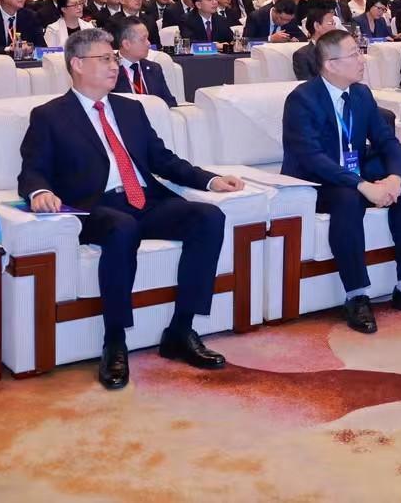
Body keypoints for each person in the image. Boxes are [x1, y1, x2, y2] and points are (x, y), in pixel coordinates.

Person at [19, 28, 247, 389]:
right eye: (104, 59)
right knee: (122, 227)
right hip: (94, 207)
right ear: (77, 64)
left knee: (208, 216)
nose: (114, 65)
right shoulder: (50, 115)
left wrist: (210, 180)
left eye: (114, 58)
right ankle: (115, 340)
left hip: (143, 199)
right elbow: (33, 169)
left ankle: (181, 330)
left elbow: (162, 160)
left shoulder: (131, 108)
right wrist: (40, 191)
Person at [281, 29, 401, 333]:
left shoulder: (361, 94)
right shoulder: (302, 99)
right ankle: (356, 295)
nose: (362, 59)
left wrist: (394, 177)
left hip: (355, 172)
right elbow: (311, 158)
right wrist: (363, 186)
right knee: (347, 198)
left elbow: (387, 141)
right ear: (331, 64)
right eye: (354, 54)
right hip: (315, 182)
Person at [111, 17, 178, 110]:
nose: (148, 43)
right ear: (126, 44)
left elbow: (170, 102)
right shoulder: (110, 70)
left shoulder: (154, 68)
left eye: (148, 38)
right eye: (143, 39)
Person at [292, 6, 342, 81]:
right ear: (317, 26)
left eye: (334, 24)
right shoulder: (302, 55)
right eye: (331, 23)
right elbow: (308, 83)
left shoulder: (340, 50)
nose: (334, 28)